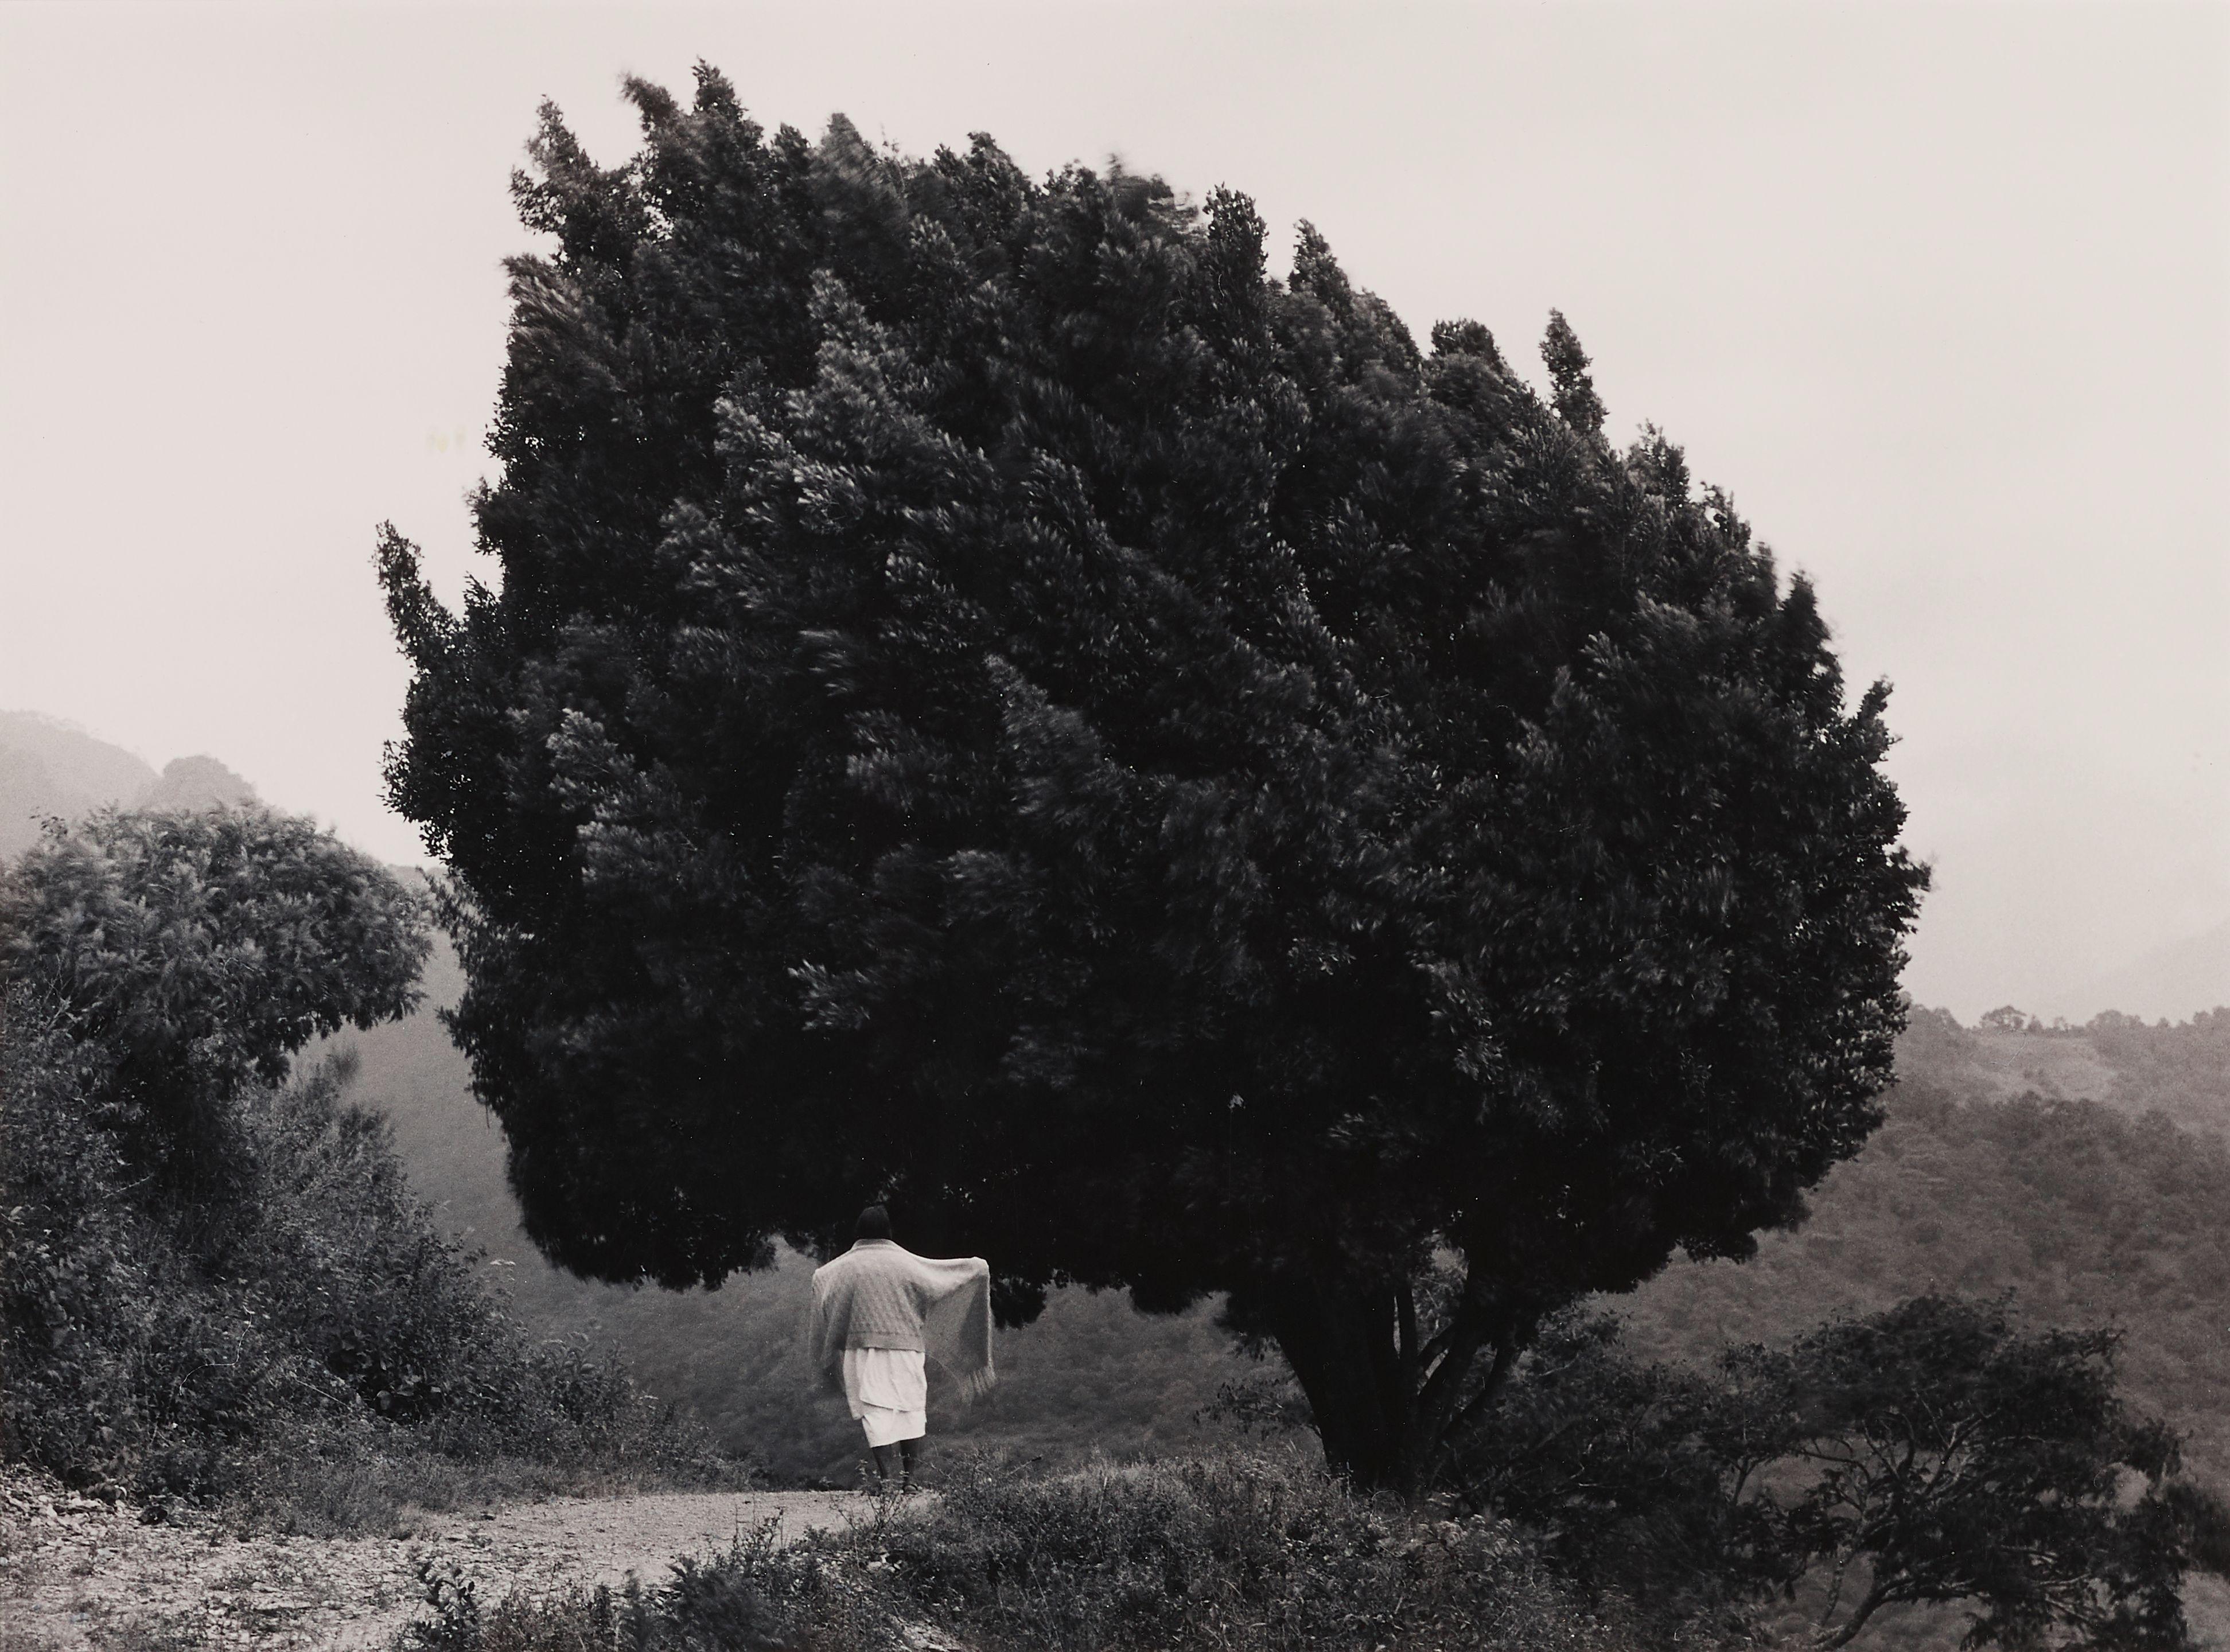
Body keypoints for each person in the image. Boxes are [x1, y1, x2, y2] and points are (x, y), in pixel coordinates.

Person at [806, 1203, 994, 1491]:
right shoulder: (908, 1263)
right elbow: (945, 1278)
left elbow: (821, 1282)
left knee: (875, 1413)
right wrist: (977, 1267)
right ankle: (909, 1481)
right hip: (907, 1349)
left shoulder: (842, 1268)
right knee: (911, 1410)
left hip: (862, 1350)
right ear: (888, 1231)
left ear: (858, 1231)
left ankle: (885, 1480)